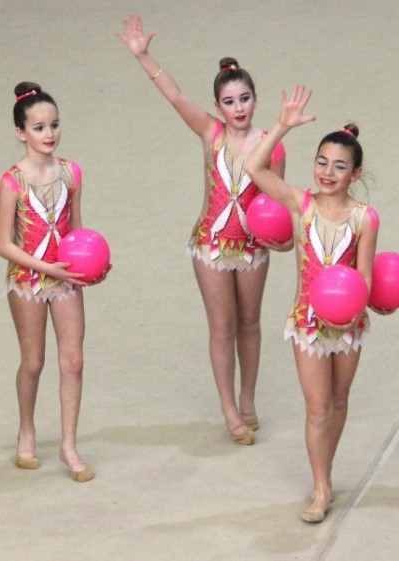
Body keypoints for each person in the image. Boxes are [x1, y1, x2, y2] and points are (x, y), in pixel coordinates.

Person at [118, 14, 289, 445]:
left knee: (250, 323)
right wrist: (143, 56)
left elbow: (278, 204)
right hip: (210, 245)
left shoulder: (272, 146)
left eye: (245, 98)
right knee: (221, 327)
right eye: (229, 101)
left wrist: (282, 239)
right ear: (218, 106)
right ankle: (229, 409)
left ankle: (247, 398)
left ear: (256, 99)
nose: (238, 108)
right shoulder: (209, 131)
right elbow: (175, 95)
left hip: (252, 248)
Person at [244, 86, 379, 522]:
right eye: (322, 162)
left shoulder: (364, 218)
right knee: (318, 407)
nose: (328, 172)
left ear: (355, 174)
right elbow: (253, 167)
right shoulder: (300, 203)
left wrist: (356, 310)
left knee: (339, 401)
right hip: (308, 321)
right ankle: (320, 488)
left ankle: (327, 472)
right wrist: (282, 124)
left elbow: (365, 275)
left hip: (349, 322)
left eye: (339, 166)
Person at [0, 82, 108, 482]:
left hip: (65, 278)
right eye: (39, 127)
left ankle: (69, 444)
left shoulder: (71, 173)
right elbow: (3, 244)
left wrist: (93, 263)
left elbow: (76, 230)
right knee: (34, 362)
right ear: (21, 132)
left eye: (54, 125)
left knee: (73, 361)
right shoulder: (12, 182)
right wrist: (47, 268)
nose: (49, 134)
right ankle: (26, 430)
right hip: (28, 280)